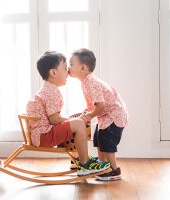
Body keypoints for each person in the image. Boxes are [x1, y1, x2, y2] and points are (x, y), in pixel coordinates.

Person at [26, 51, 110, 176]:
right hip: (44, 135)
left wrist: (70, 120)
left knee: (76, 121)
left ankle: (78, 159)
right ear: (53, 73)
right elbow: (54, 119)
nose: (68, 72)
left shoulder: (47, 89)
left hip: (41, 134)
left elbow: (54, 119)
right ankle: (85, 163)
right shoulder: (51, 92)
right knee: (78, 123)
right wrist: (71, 120)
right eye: (65, 69)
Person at [68, 48, 129, 181]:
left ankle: (114, 170)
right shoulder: (86, 82)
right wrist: (86, 112)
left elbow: (100, 107)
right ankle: (103, 167)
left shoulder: (91, 83)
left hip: (114, 115)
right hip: (106, 115)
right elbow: (94, 104)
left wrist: (89, 116)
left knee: (107, 142)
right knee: (99, 139)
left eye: (71, 64)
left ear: (83, 68)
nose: (68, 67)